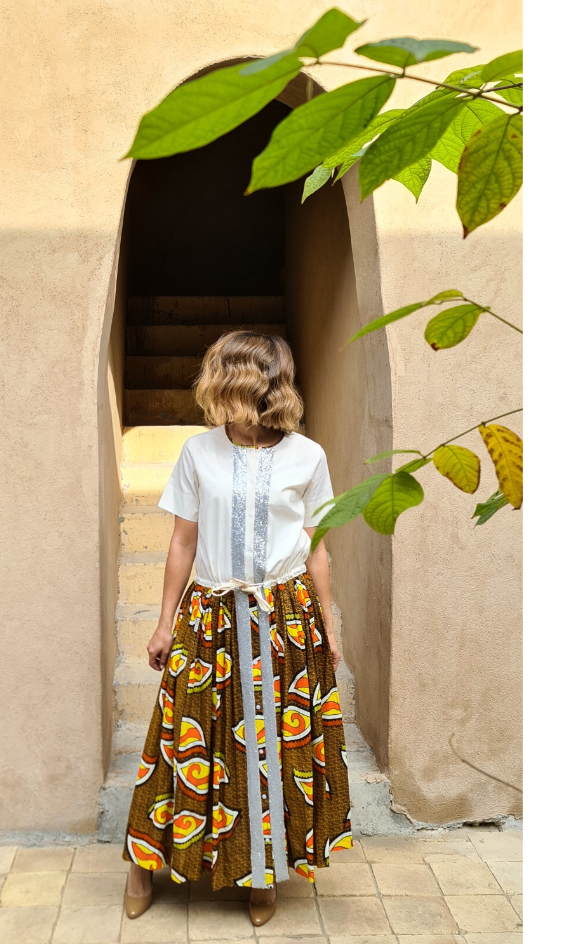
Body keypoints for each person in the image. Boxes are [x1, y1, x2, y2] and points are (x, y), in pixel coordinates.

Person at [122, 330, 352, 926]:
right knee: (185, 736)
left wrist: (328, 626)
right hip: (211, 615)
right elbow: (182, 542)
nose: (214, 383)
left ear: (249, 380)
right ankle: (142, 863)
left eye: (222, 372)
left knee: (274, 745)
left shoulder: (309, 456)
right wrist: (164, 624)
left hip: (285, 618)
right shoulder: (199, 452)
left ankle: (261, 871)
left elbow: (316, 547)